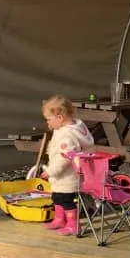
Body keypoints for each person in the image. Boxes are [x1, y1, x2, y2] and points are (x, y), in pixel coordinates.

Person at [40, 95, 94, 236]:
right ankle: (59, 219)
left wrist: (51, 171)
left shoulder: (67, 135)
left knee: (66, 199)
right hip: (64, 175)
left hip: (68, 175)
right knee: (57, 197)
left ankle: (73, 224)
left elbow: (64, 158)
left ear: (60, 117)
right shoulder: (75, 127)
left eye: (49, 119)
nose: (48, 123)